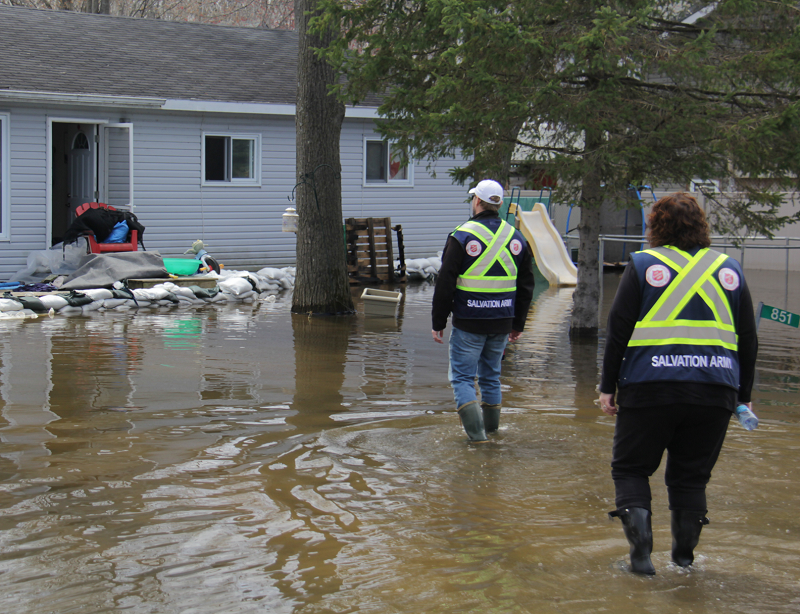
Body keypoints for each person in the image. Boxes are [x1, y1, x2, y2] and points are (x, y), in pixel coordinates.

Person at [599, 192, 758, 575]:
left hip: (649, 386)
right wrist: (744, 397)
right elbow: (748, 340)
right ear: (701, 226)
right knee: (690, 477)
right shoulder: (730, 270)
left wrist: (608, 386)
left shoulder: (641, 265)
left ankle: (640, 560)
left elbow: (617, 331)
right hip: (715, 391)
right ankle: (684, 563)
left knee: (631, 470)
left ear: (656, 225)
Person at [432, 179, 535, 442]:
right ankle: (493, 436)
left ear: (477, 201)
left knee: (463, 379)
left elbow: (446, 282)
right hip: (502, 321)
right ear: (498, 204)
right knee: (491, 378)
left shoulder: (462, 235)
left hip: (469, 321)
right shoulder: (517, 237)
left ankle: (478, 441)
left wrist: (438, 321)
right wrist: (518, 324)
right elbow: (526, 285)